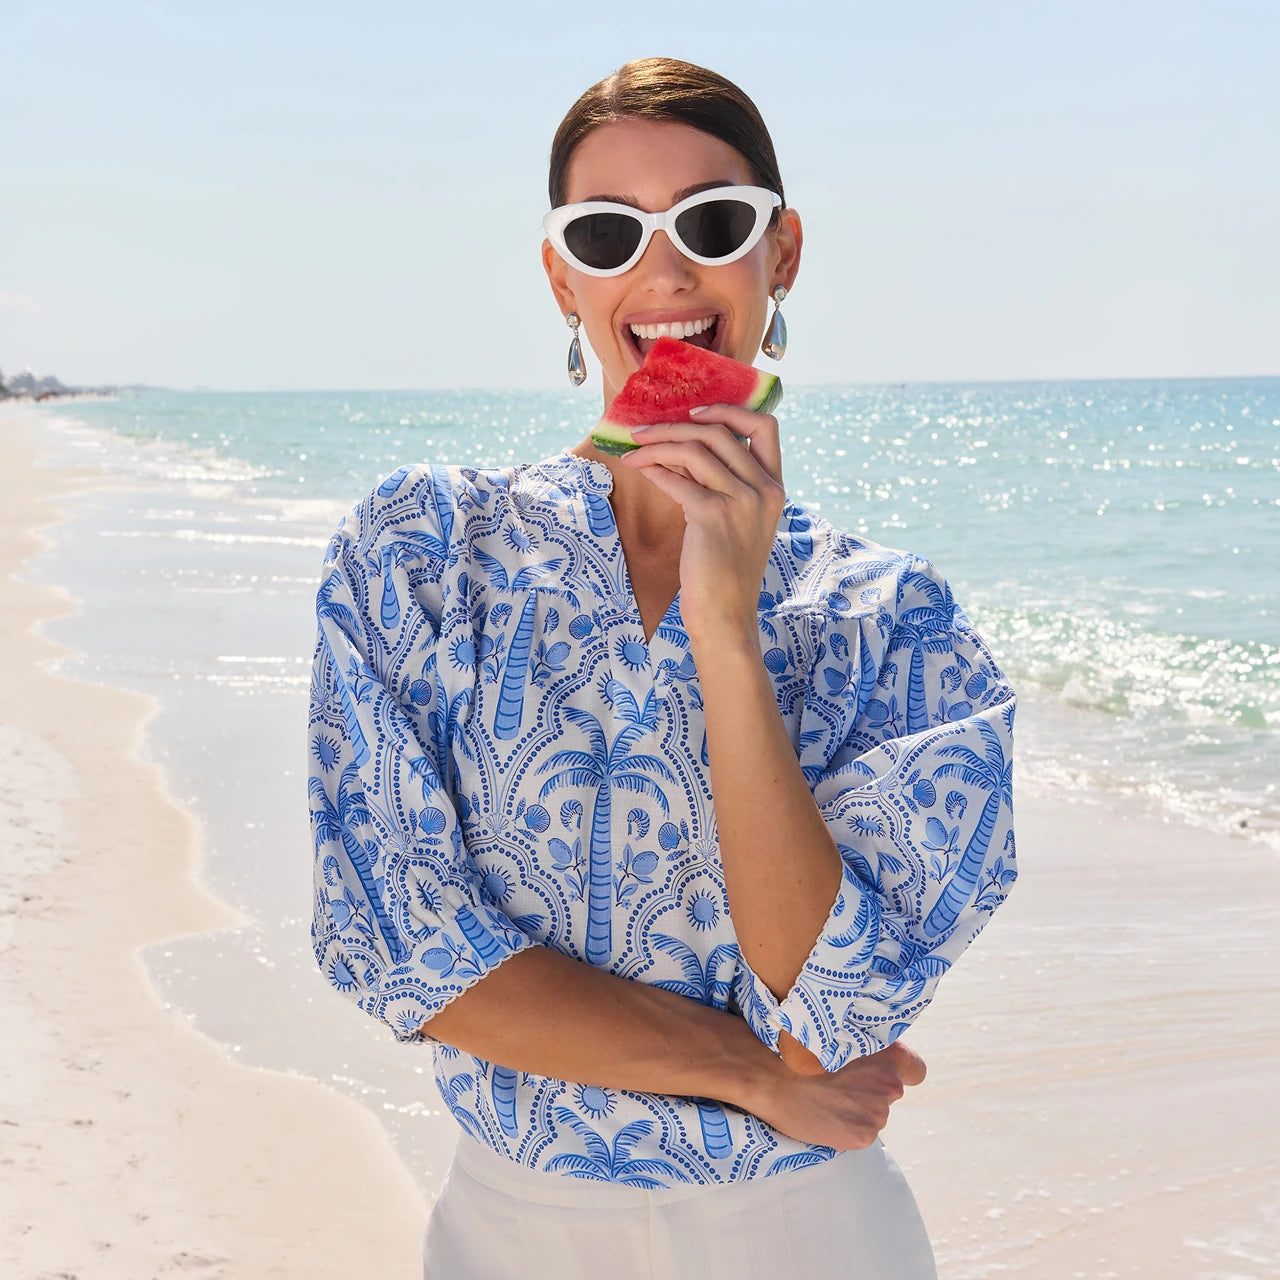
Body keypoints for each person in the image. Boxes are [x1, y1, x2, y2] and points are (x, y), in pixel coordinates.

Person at [307, 56, 1018, 1280]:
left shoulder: (895, 621)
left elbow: (833, 1016)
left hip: (808, 1237)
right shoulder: (421, 550)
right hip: (507, 1234)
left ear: (780, 253)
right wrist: (746, 1070)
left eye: (711, 222)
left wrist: (724, 629)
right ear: (560, 276)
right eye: (607, 232)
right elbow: (397, 942)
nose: (666, 271)